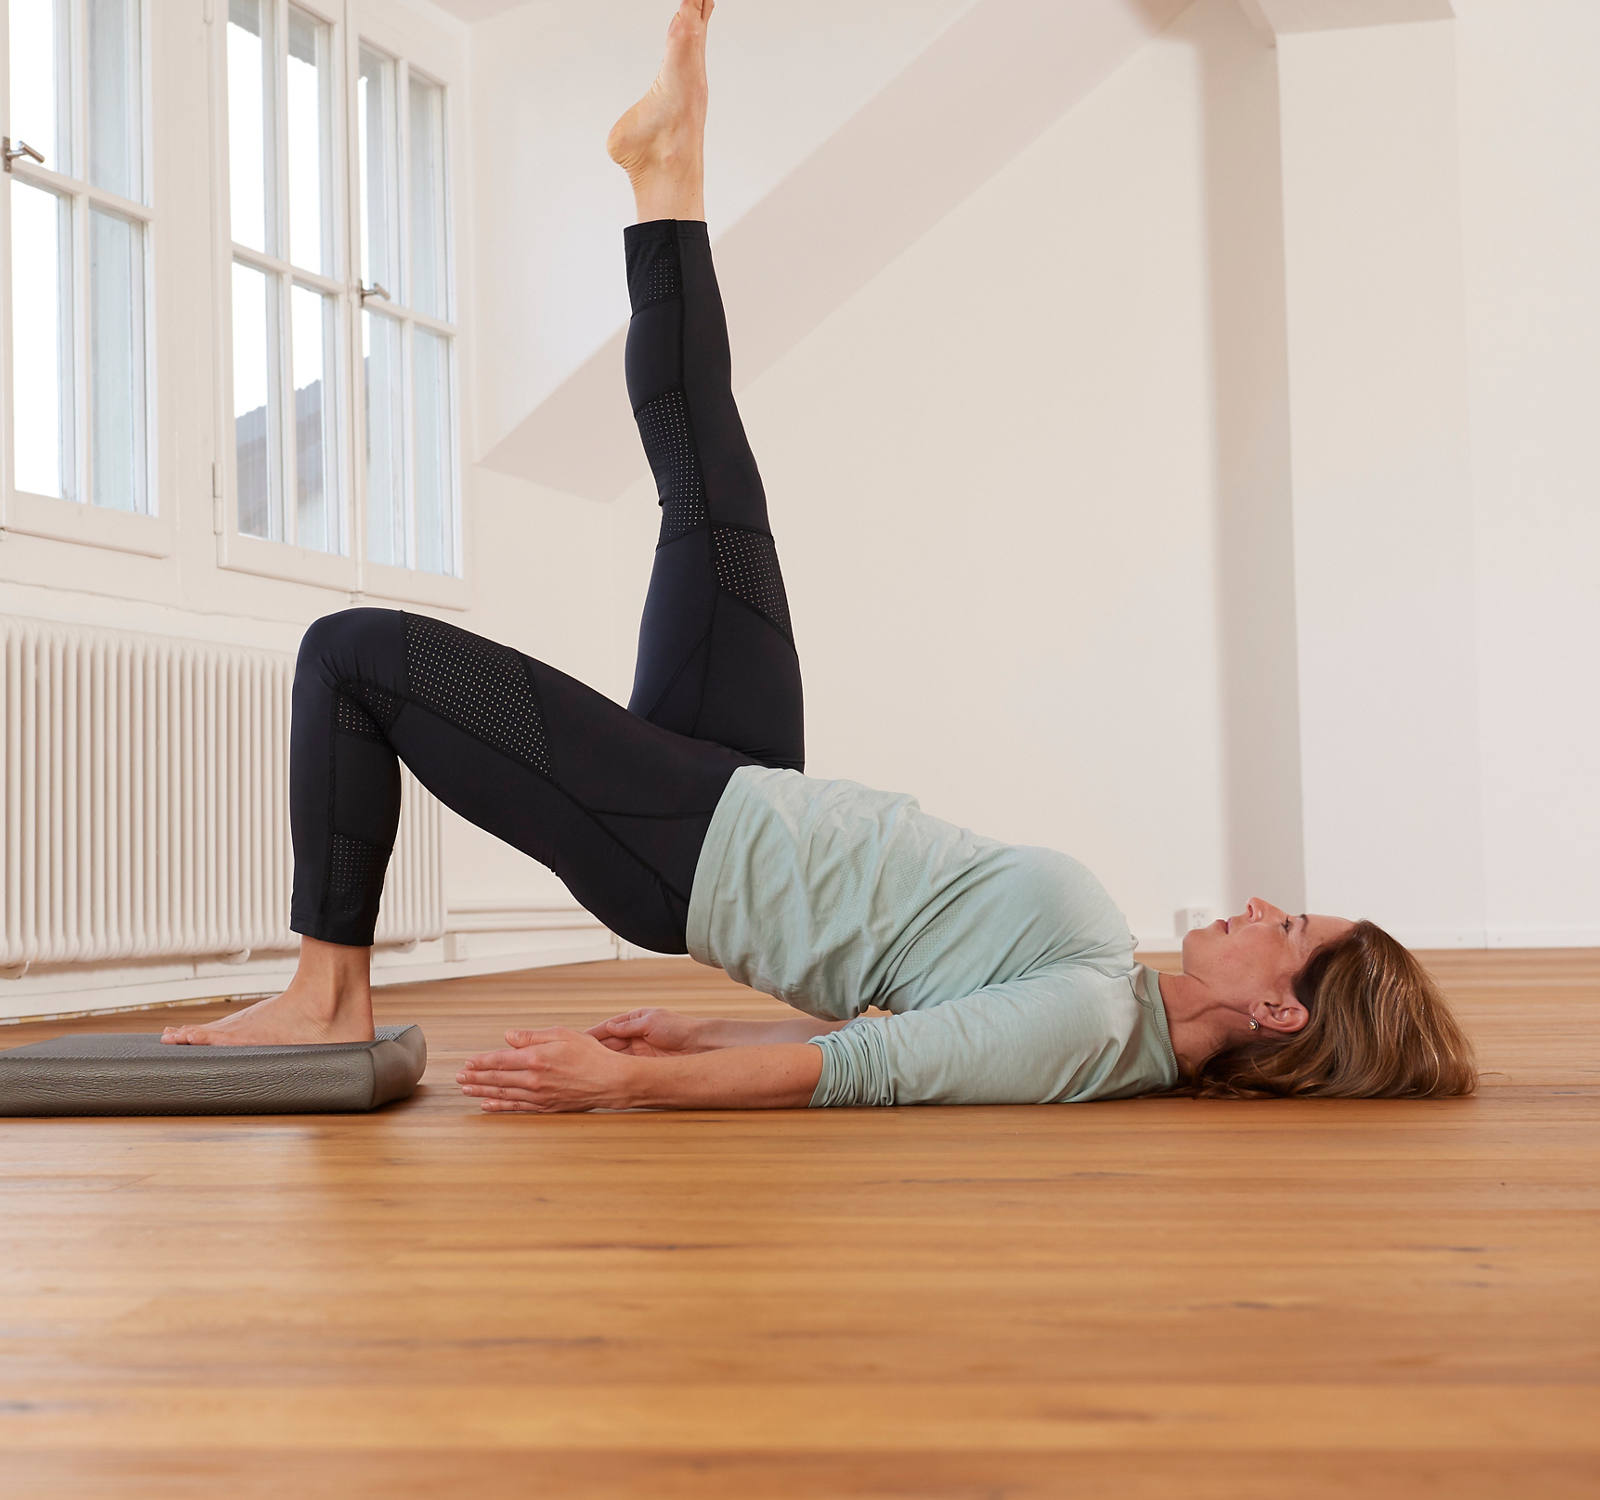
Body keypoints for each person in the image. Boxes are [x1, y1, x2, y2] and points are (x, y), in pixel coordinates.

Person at [163, 0, 1477, 1112]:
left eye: (1289, 931)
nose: (1263, 905)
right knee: (712, 495)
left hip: (690, 845)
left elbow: (874, 1064)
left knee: (354, 655)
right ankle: (665, 174)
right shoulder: (1118, 996)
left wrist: (633, 1083)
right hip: (750, 793)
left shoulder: (1088, 1025)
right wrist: (711, 1037)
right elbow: (896, 1021)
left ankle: (328, 995)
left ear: (1277, 1018)